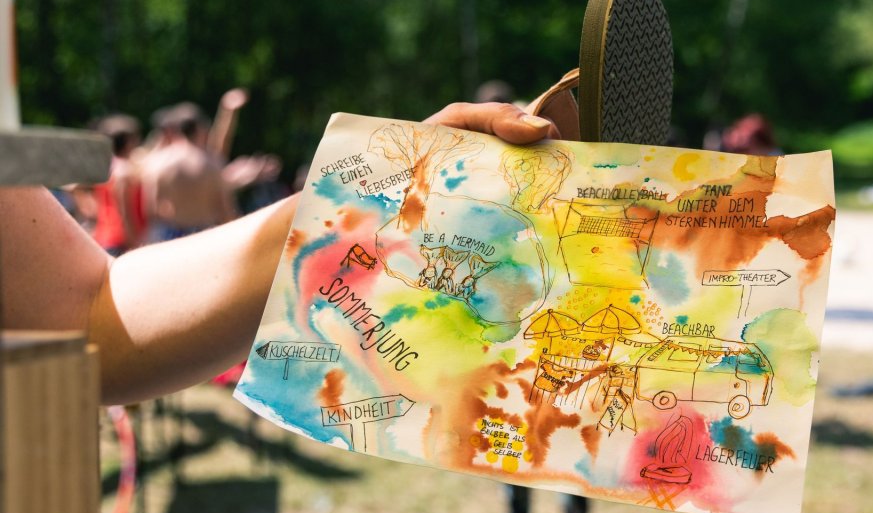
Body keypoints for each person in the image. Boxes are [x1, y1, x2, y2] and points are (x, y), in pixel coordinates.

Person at [0, 102, 557, 406]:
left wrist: (369, 199)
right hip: (186, 247)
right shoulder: (198, 164)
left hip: (158, 250)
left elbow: (80, 315)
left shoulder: (148, 165)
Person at [475, 80, 619, 513]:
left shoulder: (572, 191)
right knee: (513, 451)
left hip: (568, 348)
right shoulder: (487, 201)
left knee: (572, 454)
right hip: (512, 352)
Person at [140, 102, 236, 242]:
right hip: (205, 234)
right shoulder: (212, 164)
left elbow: (150, 210)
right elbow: (225, 209)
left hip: (171, 235)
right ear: (200, 129)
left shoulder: (158, 164)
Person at [88, 114, 146, 255]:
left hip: (104, 237)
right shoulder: (124, 172)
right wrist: (135, 244)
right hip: (121, 241)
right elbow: (125, 213)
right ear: (128, 142)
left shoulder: (107, 168)